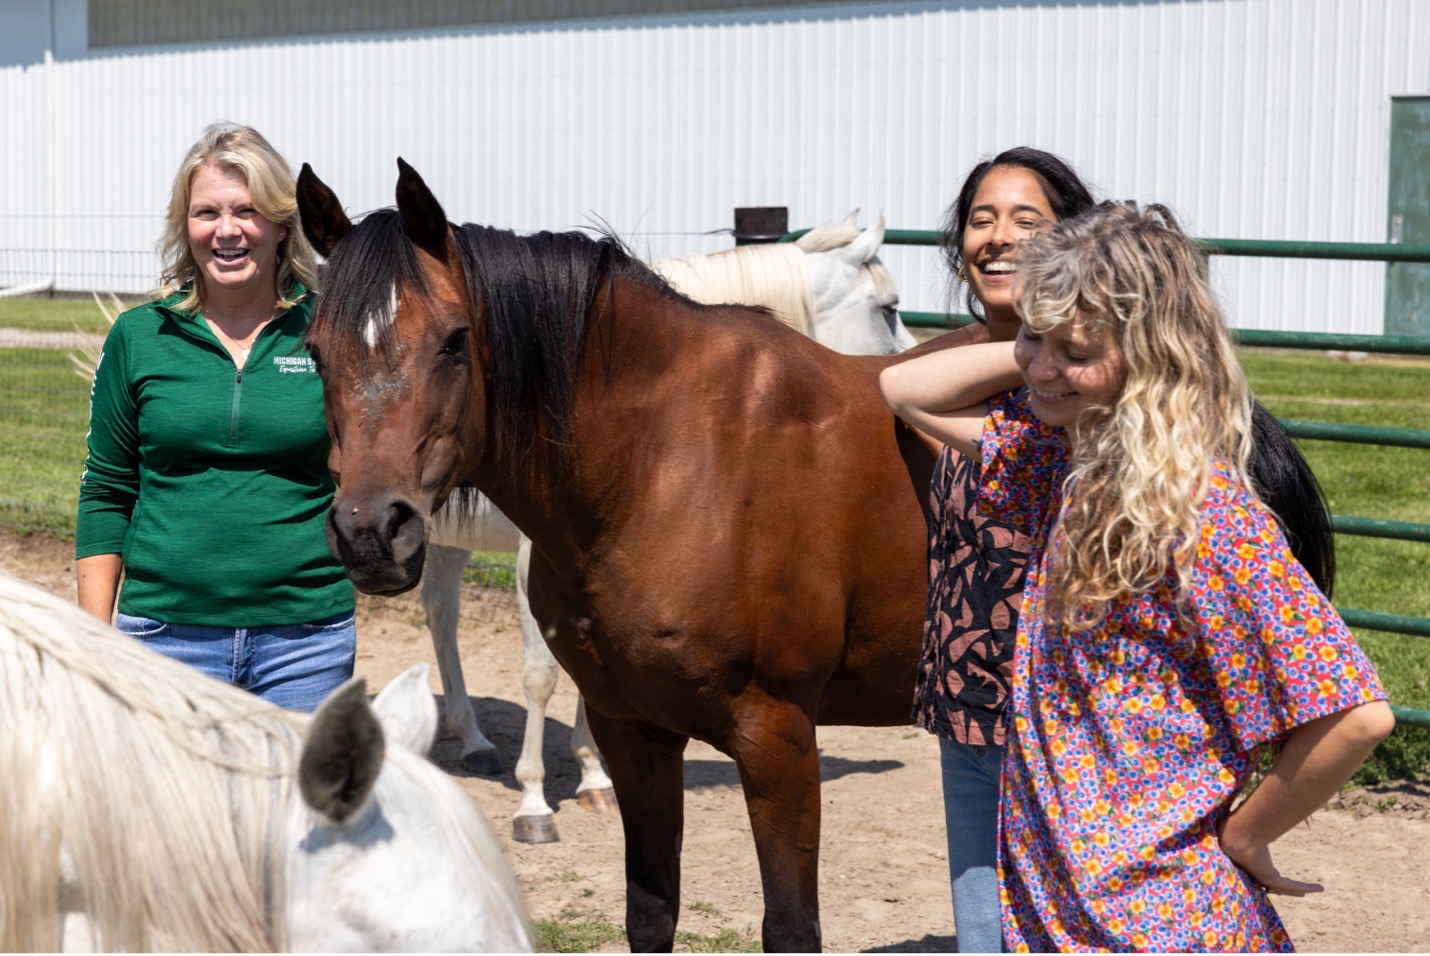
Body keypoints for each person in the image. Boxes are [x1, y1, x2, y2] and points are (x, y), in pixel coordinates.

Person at [882, 201, 1394, 952]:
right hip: (1063, 899)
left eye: (1076, 348)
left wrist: (1247, 836)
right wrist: (1050, 346)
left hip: (1159, 915)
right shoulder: (1064, 461)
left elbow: (1357, 715)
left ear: (1153, 353)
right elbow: (905, 392)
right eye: (1032, 336)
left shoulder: (1205, 517)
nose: (1042, 367)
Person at [76, 122, 355, 713]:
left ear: (281, 224)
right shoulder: (139, 337)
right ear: (187, 226)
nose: (226, 231)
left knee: (296, 809)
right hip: (161, 640)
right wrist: (93, 646)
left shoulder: (333, 333)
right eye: (207, 213)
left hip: (305, 642)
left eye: (246, 211)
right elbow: (105, 491)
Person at [916, 147, 1096, 953]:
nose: (997, 236)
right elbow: (898, 389)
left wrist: (1038, 344)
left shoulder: (1084, 383)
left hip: (1076, 719)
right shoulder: (960, 373)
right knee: (982, 933)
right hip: (971, 707)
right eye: (981, 219)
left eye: (1028, 220)